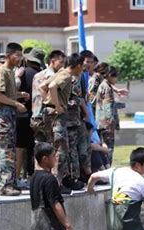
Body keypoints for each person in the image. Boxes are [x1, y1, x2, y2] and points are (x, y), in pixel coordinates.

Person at [30, 142, 75, 230]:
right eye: (53, 156)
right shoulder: (49, 179)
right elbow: (55, 204)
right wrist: (68, 226)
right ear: (45, 159)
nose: (55, 159)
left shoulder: (34, 178)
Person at [40, 53, 84, 193]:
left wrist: (48, 103)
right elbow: (52, 86)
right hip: (57, 116)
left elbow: (42, 86)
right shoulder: (66, 75)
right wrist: (57, 106)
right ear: (78, 66)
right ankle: (57, 185)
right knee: (60, 151)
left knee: (53, 147)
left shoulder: (60, 72)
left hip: (49, 114)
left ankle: (55, 182)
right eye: (82, 66)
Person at [0, 42, 29, 196]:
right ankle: (5, 185)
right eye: (17, 55)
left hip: (9, 114)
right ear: (8, 56)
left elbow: (7, 93)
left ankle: (11, 182)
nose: (20, 58)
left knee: (10, 150)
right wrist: (17, 104)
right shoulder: (2, 71)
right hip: (3, 114)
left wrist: (20, 95)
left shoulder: (10, 72)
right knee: (5, 150)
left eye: (21, 55)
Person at [16, 48, 46, 187]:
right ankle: (32, 175)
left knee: (20, 147)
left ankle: (17, 177)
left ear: (28, 60)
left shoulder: (22, 73)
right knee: (34, 146)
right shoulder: (43, 75)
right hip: (39, 117)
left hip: (22, 114)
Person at [31, 50, 66, 144]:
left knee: (40, 148)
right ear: (52, 60)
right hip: (47, 116)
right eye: (61, 62)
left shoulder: (37, 75)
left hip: (37, 116)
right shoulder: (52, 76)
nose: (62, 66)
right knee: (53, 147)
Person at [95, 66, 118, 165]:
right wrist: (111, 124)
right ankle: (107, 168)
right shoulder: (107, 88)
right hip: (107, 125)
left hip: (100, 123)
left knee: (103, 147)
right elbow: (108, 107)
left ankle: (104, 166)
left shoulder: (103, 85)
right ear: (109, 76)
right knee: (109, 149)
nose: (116, 79)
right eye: (115, 76)